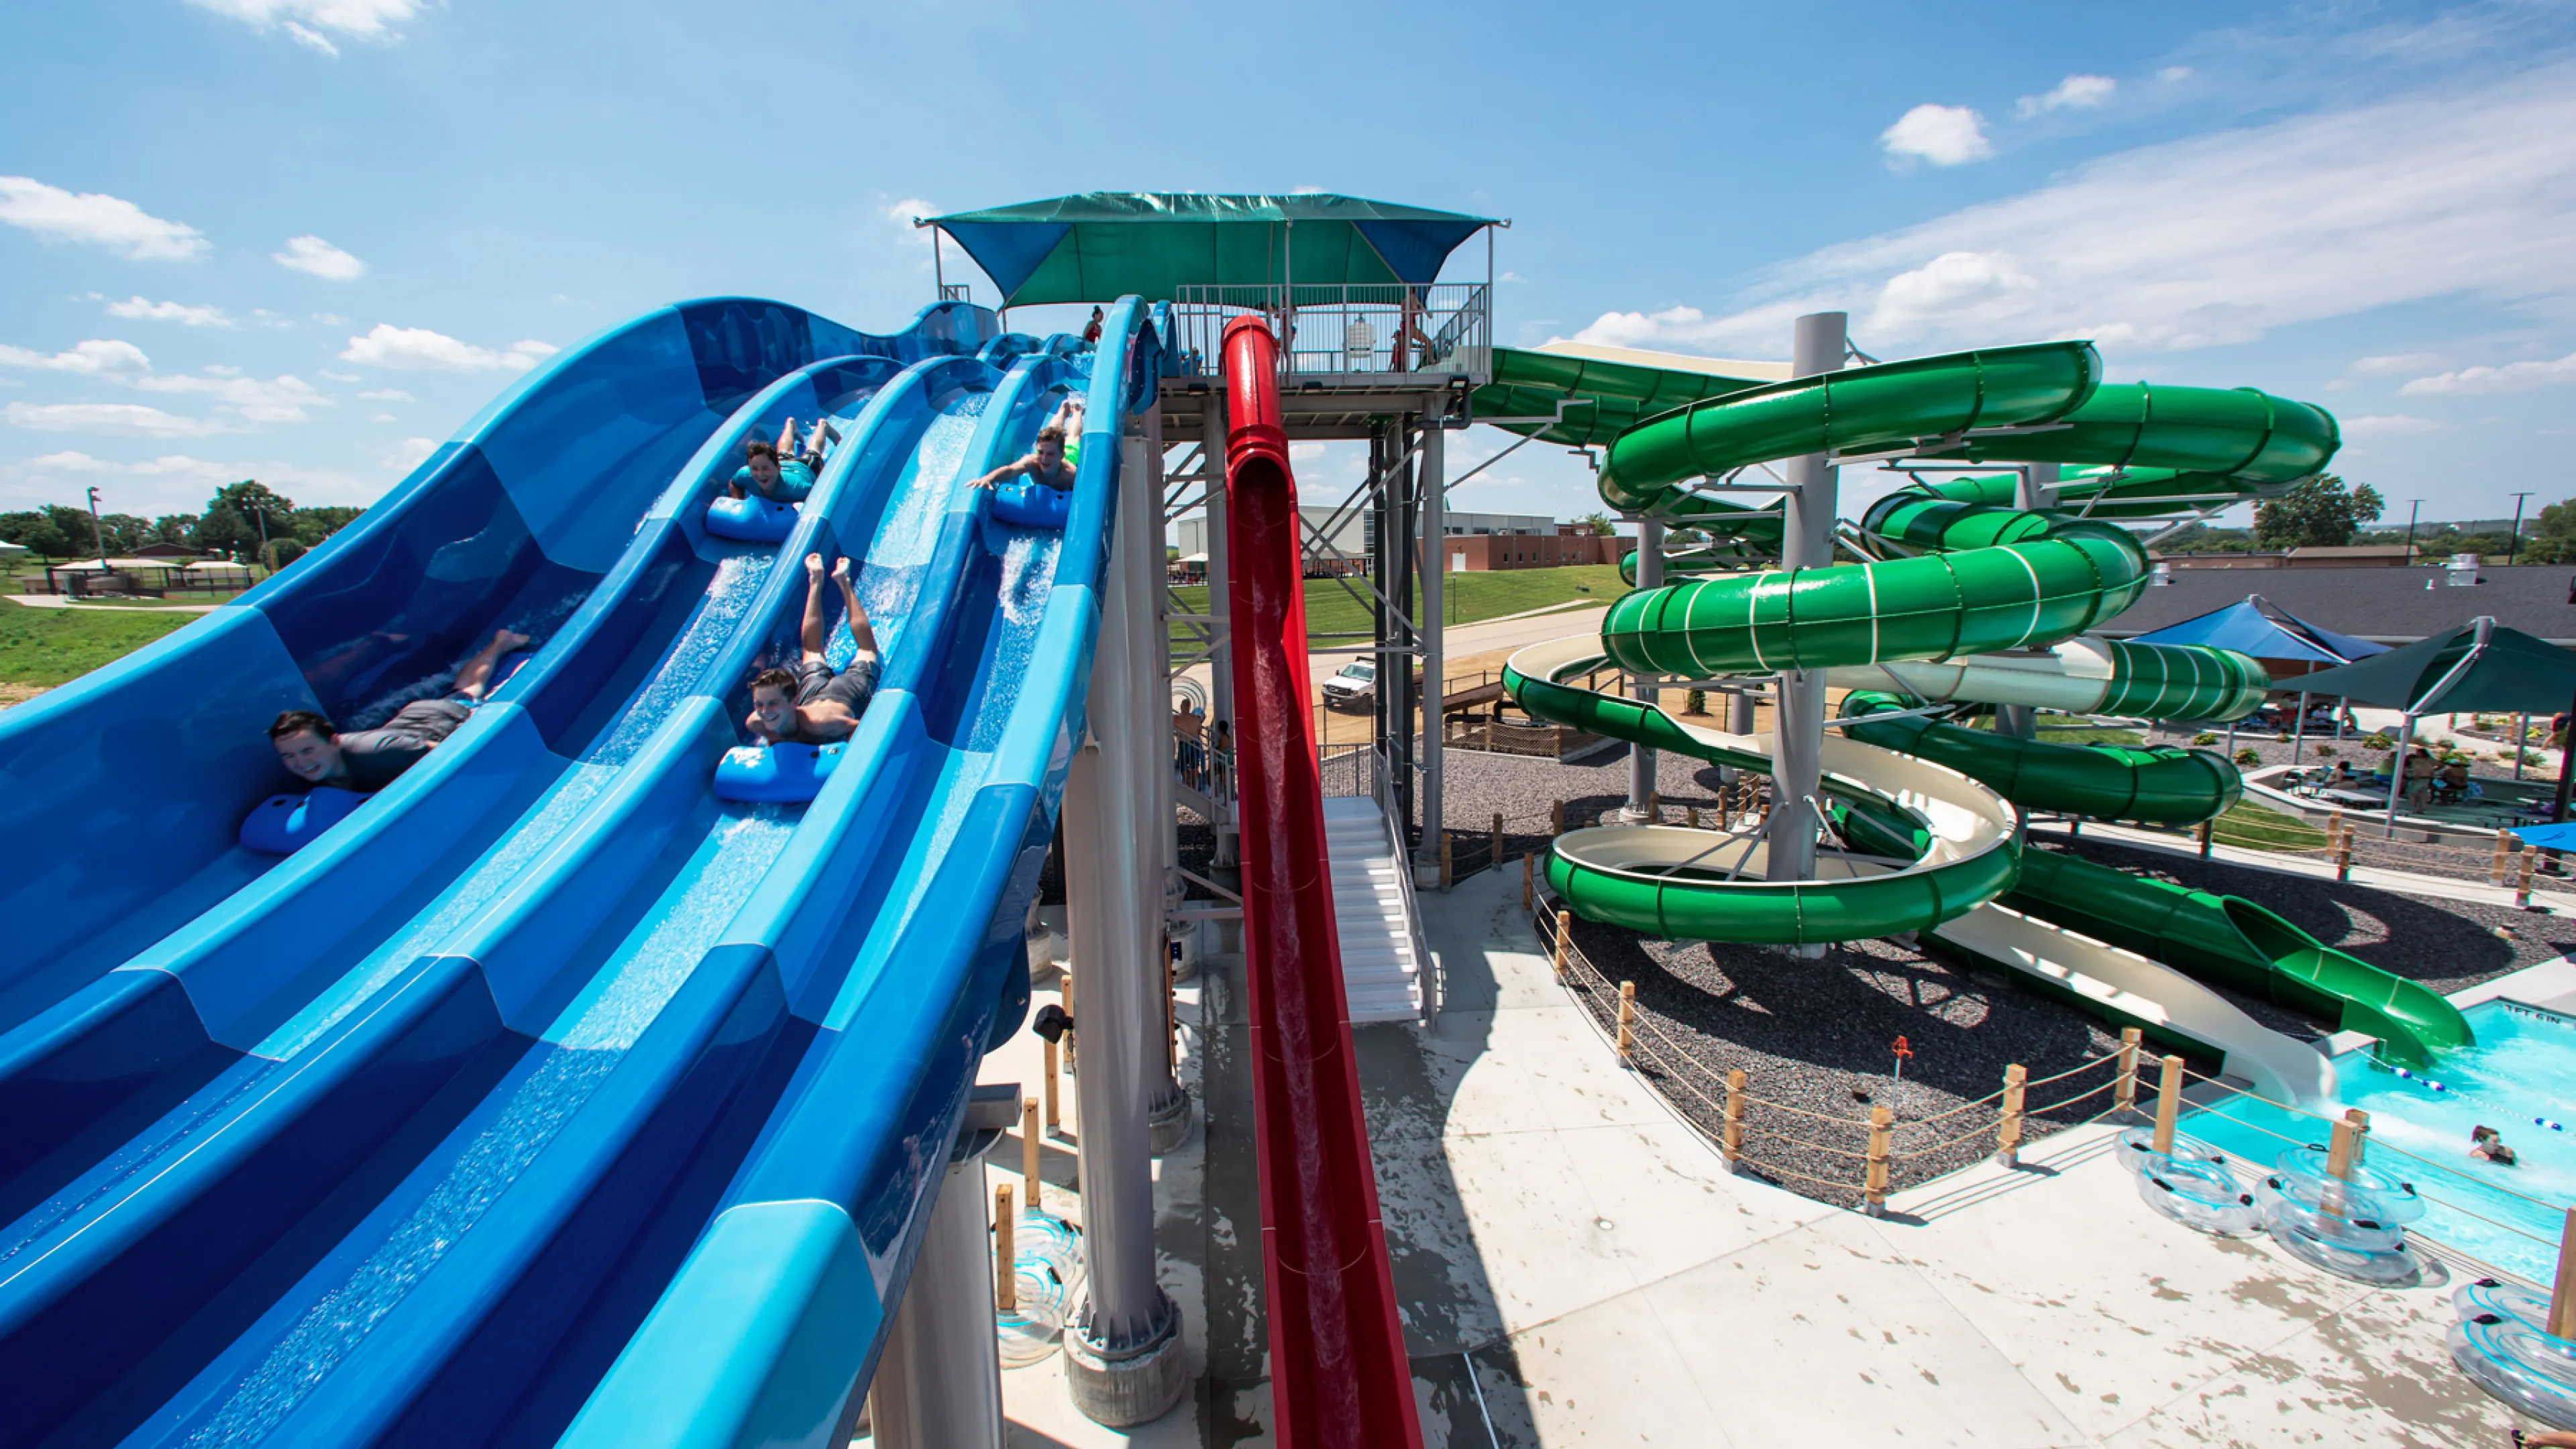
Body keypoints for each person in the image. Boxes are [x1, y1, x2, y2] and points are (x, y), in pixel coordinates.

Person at [270, 629, 529, 791]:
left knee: (468, 693)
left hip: (437, 721)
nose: (300, 762)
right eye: (289, 756)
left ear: (334, 741)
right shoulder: (310, 773)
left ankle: (501, 644)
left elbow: (450, 754)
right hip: (405, 721)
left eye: (307, 751)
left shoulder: (380, 752)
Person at [745, 553, 878, 745]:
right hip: (812, 698)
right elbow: (774, 735)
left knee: (867, 650)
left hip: (845, 695)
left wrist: (848, 744)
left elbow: (859, 727)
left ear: (794, 701)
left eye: (773, 704)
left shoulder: (823, 724)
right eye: (759, 705)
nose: (765, 712)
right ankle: (815, 580)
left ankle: (844, 583)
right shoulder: (756, 723)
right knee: (812, 652)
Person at [969, 396, 1087, 494]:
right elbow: (1010, 470)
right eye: (1040, 452)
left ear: (1061, 455)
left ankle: (1077, 411)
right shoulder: (1032, 462)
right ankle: (1063, 411)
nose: (1044, 459)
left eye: (1050, 454)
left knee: (1073, 436)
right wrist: (988, 478)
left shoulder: (1071, 475)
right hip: (1055, 447)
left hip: (1071, 456)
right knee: (1052, 430)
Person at [729, 431, 815, 504]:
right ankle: (791, 426)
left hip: (803, 468)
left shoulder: (798, 488)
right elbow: (734, 484)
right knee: (784, 453)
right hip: (783, 462)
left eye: (765, 468)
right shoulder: (745, 475)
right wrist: (739, 503)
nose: (760, 474)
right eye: (755, 469)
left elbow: (818, 497)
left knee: (813, 452)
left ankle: (823, 426)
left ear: (778, 469)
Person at [2402, 746, 2438, 810]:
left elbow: (2417, 770)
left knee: (2411, 793)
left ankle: (2413, 807)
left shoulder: (2415, 762)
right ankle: (2422, 808)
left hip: (2419, 778)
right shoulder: (2426, 761)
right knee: (2422, 794)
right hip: (2427, 779)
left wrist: (2415, 778)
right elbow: (2431, 771)